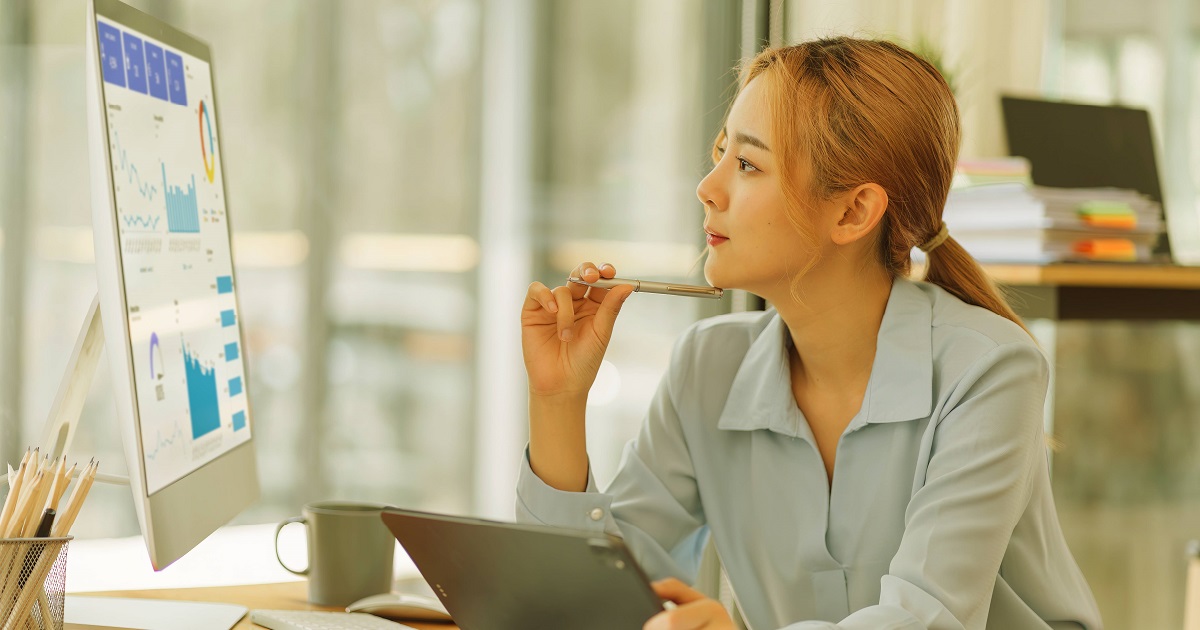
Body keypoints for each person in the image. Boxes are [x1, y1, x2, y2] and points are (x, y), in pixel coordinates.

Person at [516, 37, 1102, 630]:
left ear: (852, 212)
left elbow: (927, 617)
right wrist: (558, 401)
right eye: (721, 153)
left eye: (746, 164)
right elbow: (595, 599)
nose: (708, 187)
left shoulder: (989, 369)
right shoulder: (708, 365)